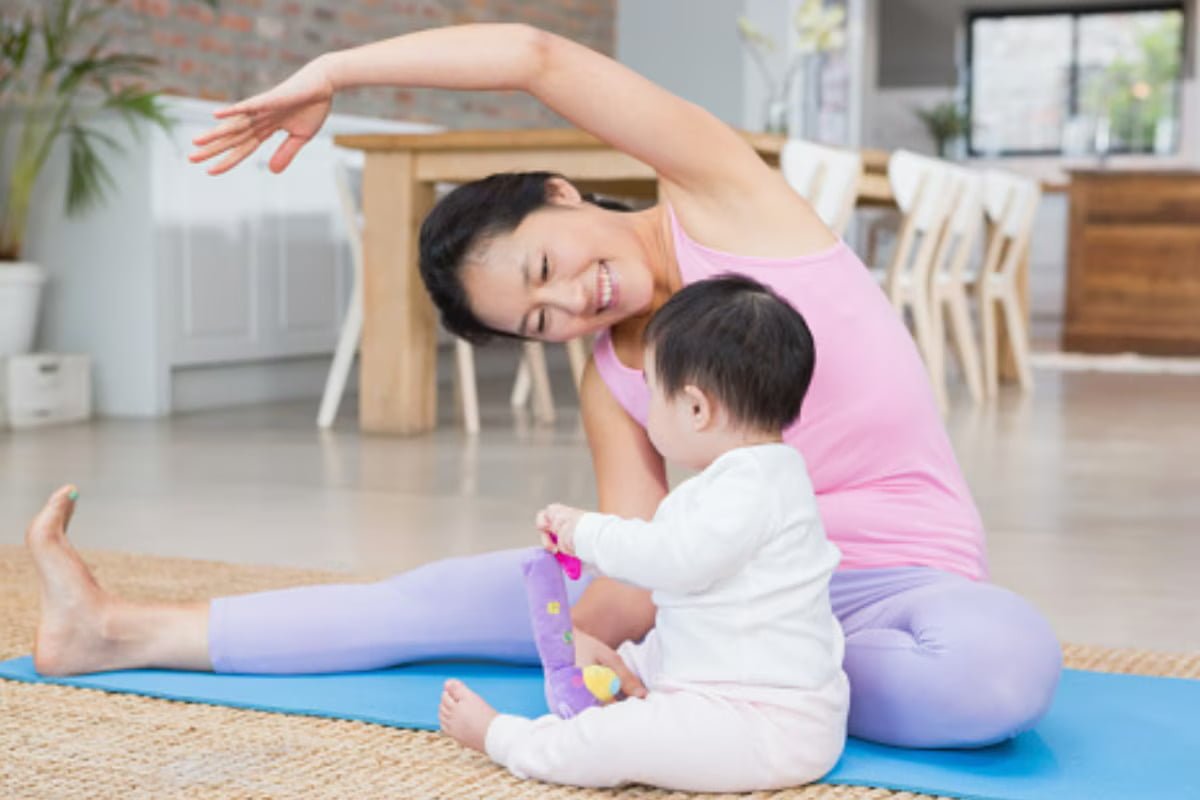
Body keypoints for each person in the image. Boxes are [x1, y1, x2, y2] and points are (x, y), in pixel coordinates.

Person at [26, 23, 1061, 749]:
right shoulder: (615, 370)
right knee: (423, 601)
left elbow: (535, 56)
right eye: (540, 318)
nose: (573, 300)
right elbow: (635, 554)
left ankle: (734, 682)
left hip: (895, 579)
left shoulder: (725, 198)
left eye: (545, 266)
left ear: (563, 193)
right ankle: (116, 629)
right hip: (705, 591)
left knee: (997, 673)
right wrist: (592, 634)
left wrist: (335, 68)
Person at [441, 276, 847, 791]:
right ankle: (622, 682)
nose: (647, 409)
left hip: (765, 725)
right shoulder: (757, 477)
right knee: (637, 662)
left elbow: (672, 560)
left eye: (653, 391)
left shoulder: (751, 487)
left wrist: (586, 533)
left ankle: (510, 740)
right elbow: (695, 601)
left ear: (697, 409)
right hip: (730, 683)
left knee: (618, 741)